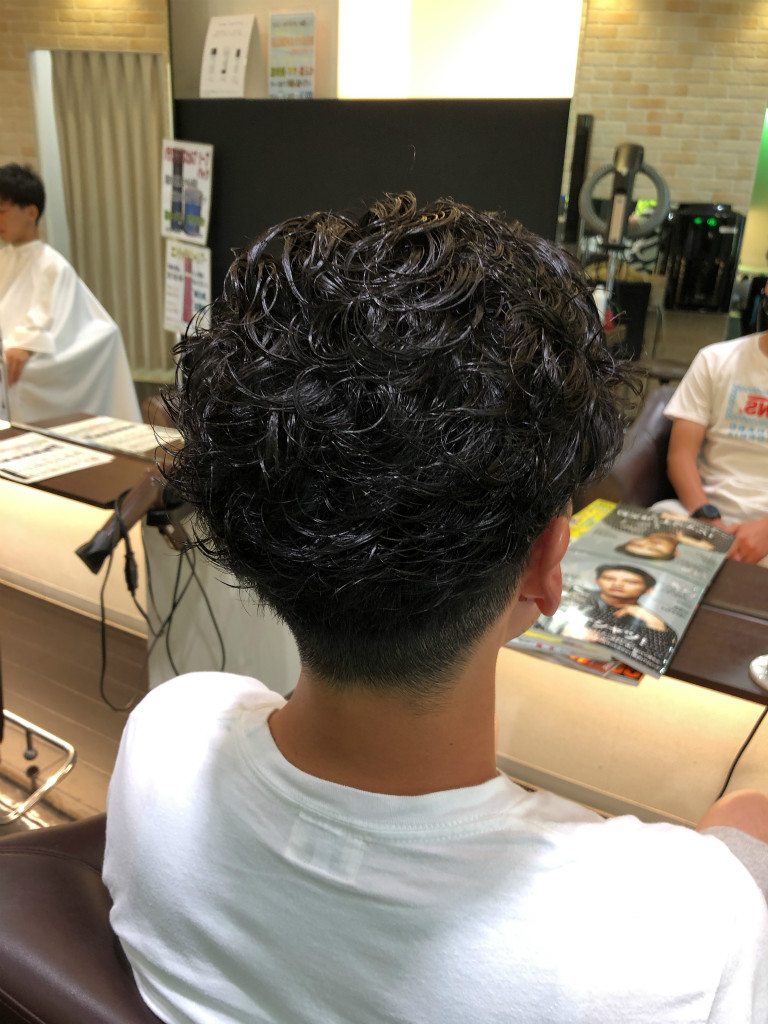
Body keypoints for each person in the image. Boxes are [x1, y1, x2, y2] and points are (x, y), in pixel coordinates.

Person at [103, 194, 768, 1024]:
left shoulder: (164, 737)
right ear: (547, 566)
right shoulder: (674, 941)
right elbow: (743, 858)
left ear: (251, 541)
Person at [0, 163, 140, 423]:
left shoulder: (51, 264)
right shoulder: (4, 259)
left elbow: (45, 318)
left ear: (31, 212)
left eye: (2, 211)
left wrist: (24, 344)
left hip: (36, 361)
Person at [656, 330, 768, 566]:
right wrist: (710, 522)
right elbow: (681, 456)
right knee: (652, 522)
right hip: (703, 513)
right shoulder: (715, 359)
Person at [555, 563, 678, 664]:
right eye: (609, 579)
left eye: (631, 582)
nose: (617, 584)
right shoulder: (573, 596)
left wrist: (653, 622)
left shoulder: (649, 618)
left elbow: (656, 658)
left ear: (649, 590)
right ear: (597, 580)